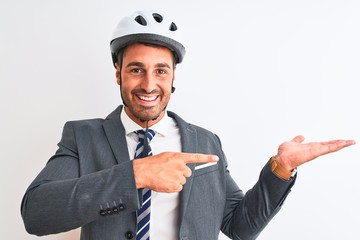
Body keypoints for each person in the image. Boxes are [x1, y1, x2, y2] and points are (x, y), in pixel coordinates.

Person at [20, 10, 355, 240]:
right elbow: (36, 214)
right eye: (136, 69)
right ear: (118, 73)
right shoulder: (83, 136)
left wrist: (281, 169)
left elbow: (240, 227)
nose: (149, 84)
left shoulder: (206, 143)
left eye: (160, 71)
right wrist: (136, 174)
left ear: (173, 76)